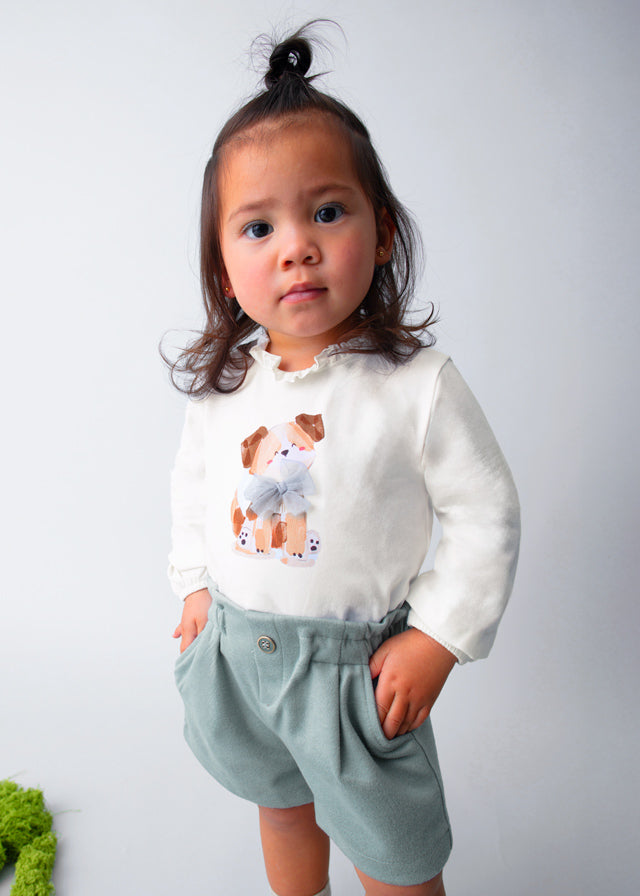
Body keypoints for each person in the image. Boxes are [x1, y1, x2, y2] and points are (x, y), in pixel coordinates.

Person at [167, 23, 520, 896]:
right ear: (225, 266)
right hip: (237, 659)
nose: (296, 246)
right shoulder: (227, 384)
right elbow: (195, 485)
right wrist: (195, 583)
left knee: (395, 854)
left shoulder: (416, 386)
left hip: (354, 676)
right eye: (258, 226)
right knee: (283, 808)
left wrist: (438, 635)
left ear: (384, 231)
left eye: (327, 211)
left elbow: (486, 513)